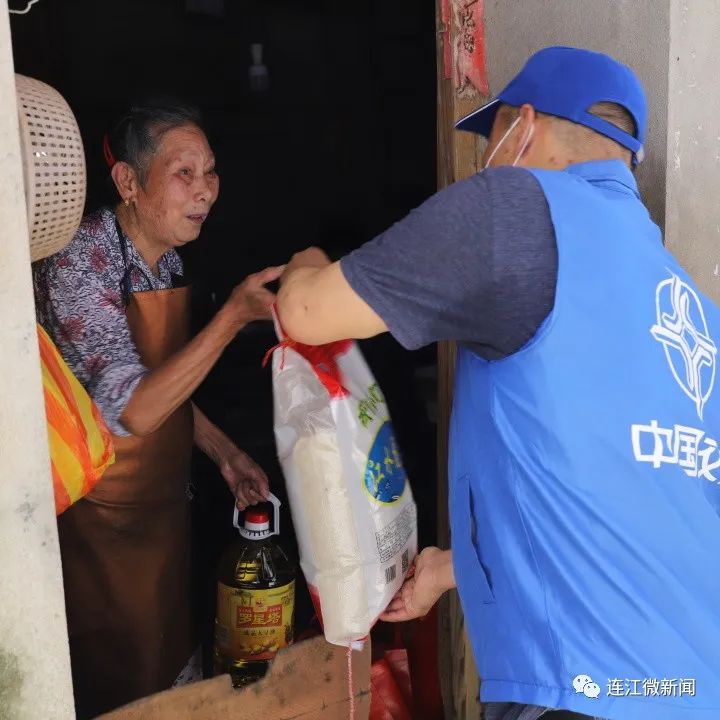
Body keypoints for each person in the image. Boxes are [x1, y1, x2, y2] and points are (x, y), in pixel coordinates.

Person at [276, 46, 720, 720]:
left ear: (527, 125)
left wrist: (304, 265)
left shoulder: (515, 208)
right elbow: (620, 490)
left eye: (493, 138)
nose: (489, 159)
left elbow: (307, 314)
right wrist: (451, 570)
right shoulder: (691, 308)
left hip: (582, 689)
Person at [33, 98, 281, 718]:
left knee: (170, 666)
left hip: (160, 513)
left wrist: (224, 454)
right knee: (112, 683)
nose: (206, 192)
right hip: (98, 521)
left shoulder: (162, 258)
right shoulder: (80, 263)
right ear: (129, 182)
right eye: (184, 173)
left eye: (211, 172)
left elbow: (161, 384)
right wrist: (230, 319)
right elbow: (134, 411)